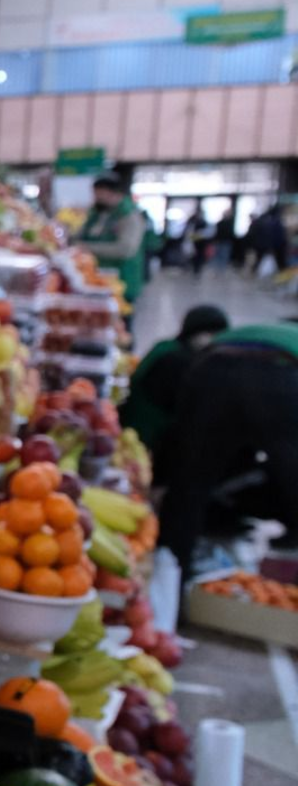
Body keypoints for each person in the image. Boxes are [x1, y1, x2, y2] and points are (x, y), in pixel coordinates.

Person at [158, 321, 298, 579]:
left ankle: (171, 575)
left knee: (190, 484)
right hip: (280, 377)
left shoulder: (265, 330)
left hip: (212, 371)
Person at [121, 304, 228, 471]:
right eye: (210, 334)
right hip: (142, 438)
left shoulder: (166, 346)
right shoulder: (180, 361)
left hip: (130, 423)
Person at [75, 173, 151, 302]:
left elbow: (125, 249)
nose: (95, 198)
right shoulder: (99, 212)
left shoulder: (129, 216)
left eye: (98, 194)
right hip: (99, 278)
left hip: (122, 281)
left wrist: (87, 247)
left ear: (112, 193)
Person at [243, 205, 291, 277]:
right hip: (272, 246)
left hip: (262, 246)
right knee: (277, 262)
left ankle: (256, 272)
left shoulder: (261, 222)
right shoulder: (275, 222)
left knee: (259, 259)